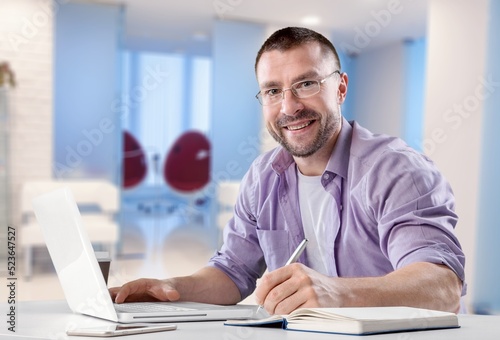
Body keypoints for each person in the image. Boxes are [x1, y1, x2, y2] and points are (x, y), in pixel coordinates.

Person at [110, 27, 466, 315]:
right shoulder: (264, 176)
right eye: (273, 91)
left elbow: (442, 286)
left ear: (340, 88)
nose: (289, 107)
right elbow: (232, 272)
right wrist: (171, 287)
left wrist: (337, 293)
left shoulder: (395, 169)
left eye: (306, 84)